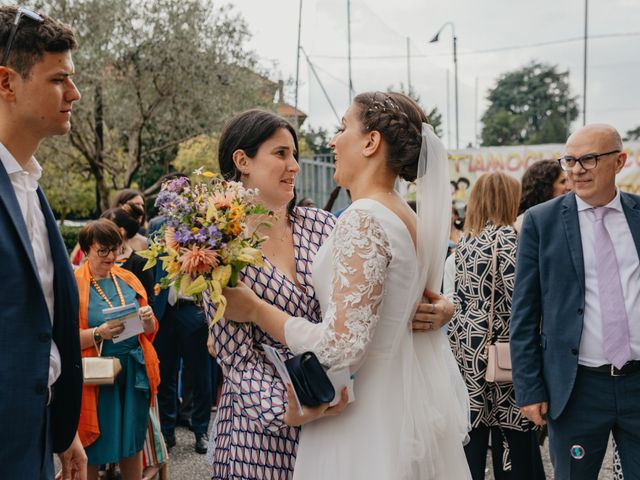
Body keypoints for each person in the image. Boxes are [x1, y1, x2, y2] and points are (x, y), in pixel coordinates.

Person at [222, 92, 470, 479]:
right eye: (280, 154)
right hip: (384, 407)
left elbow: (342, 346)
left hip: (357, 411)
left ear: (371, 142)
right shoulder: (405, 215)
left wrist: (256, 310)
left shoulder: (358, 220)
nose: (332, 141)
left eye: (342, 128)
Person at [204, 109, 336, 479]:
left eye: (293, 154)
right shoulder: (218, 248)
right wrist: (287, 410)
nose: (293, 165)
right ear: (242, 161)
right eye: (280, 154)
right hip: (262, 432)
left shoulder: (322, 226)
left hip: (336, 410)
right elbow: (236, 357)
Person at [510, 124, 640, 479]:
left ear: (619, 161)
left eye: (589, 159)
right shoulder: (542, 221)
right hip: (577, 388)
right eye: (569, 160)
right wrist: (529, 387)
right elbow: (523, 312)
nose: (577, 169)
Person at [0, 6, 86, 479]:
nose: (73, 94)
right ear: (7, 83)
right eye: (58, 80)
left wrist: (58, 426)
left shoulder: (31, 189)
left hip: (36, 440)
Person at [448, 172, 545, 479]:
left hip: (469, 349)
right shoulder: (507, 240)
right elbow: (523, 301)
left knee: (474, 439)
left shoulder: (465, 244)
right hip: (504, 351)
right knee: (513, 441)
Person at [75, 219, 160, 480]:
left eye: (116, 249)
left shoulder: (128, 278)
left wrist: (147, 320)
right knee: (91, 442)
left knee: (132, 441)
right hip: (96, 375)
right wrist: (99, 333)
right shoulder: (74, 283)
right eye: (103, 250)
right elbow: (63, 340)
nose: (111, 256)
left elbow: (150, 330)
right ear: (87, 249)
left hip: (134, 371)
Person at [101, 206, 168, 478]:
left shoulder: (138, 265)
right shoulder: (86, 274)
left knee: (140, 425)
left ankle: (152, 463)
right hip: (103, 355)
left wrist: (135, 322)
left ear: (121, 232)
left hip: (134, 350)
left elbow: (150, 309)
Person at [514, 159, 570, 232]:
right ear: (546, 188)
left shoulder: (567, 215)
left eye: (567, 180)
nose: (569, 187)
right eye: (563, 182)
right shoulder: (525, 223)